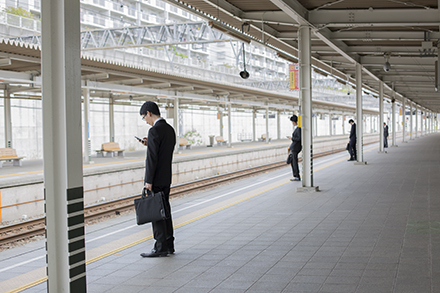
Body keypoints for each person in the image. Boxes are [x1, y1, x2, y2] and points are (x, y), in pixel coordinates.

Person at [138, 101, 176, 257]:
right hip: (166, 177)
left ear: (149, 113)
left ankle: (160, 247)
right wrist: (150, 143)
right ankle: (169, 244)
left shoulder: (154, 131)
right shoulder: (169, 129)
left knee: (157, 213)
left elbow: (152, 159)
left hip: (156, 180)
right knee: (165, 211)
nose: (145, 121)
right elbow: (162, 152)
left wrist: (148, 181)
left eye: (143, 117)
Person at [287, 115, 302, 181]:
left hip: (295, 148)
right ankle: (296, 175)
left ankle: (297, 176)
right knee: (293, 162)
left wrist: (291, 138)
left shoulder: (298, 129)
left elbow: (298, 138)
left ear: (295, 122)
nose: (292, 123)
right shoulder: (298, 128)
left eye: (292, 122)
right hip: (295, 147)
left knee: (294, 162)